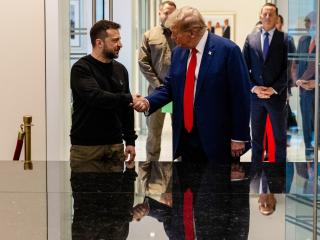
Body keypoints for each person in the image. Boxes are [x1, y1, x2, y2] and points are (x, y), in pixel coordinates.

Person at [133, 6, 251, 239]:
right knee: (189, 193)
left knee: (218, 198)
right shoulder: (179, 53)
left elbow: (241, 95)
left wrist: (239, 136)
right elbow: (170, 88)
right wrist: (148, 102)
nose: (172, 38)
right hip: (186, 138)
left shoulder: (227, 50)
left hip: (218, 140)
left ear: (192, 31)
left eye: (175, 33)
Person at [69, 20, 137, 239]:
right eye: (115, 40)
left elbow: (126, 110)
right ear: (99, 42)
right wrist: (128, 98)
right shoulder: (81, 68)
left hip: (115, 147)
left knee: (116, 210)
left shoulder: (121, 70)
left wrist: (131, 141)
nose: (120, 44)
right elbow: (95, 97)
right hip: (86, 150)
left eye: (120, 39)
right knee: (87, 211)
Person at [242, 3, 288, 215]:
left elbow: (290, 68)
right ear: (260, 15)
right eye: (265, 13)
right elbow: (243, 67)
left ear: (276, 16)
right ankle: (256, 172)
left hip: (275, 97)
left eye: (271, 13)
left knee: (279, 139)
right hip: (256, 98)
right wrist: (253, 87)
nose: (268, 15)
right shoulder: (251, 38)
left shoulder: (285, 39)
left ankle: (278, 176)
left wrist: (274, 89)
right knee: (257, 140)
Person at [138, 0, 176, 204]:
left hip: (178, 95)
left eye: (171, 13)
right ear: (159, 13)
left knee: (182, 130)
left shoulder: (181, 34)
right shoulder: (150, 35)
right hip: (157, 94)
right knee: (154, 132)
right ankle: (151, 171)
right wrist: (158, 84)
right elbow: (142, 61)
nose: (167, 15)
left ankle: (181, 170)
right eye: (165, 12)